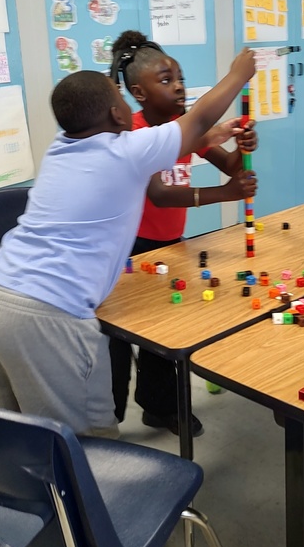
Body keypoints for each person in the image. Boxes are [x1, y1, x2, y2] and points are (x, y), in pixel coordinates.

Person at [0, 49, 255, 547]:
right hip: (44, 317)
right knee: (89, 442)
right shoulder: (124, 150)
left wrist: (220, 143)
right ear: (119, 115)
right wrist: (239, 75)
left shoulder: (62, 149)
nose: (129, 108)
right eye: (124, 100)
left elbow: (196, 134)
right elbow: (192, 124)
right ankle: (95, 544)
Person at [109, 31, 257, 435]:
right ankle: (109, 419)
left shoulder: (180, 125)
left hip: (170, 246)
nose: (178, 86)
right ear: (138, 92)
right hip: (132, 251)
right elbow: (158, 194)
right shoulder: (136, 132)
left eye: (179, 77)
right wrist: (225, 194)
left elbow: (231, 166)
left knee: (165, 329)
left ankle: (159, 407)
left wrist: (244, 145)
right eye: (165, 79)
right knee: (119, 339)